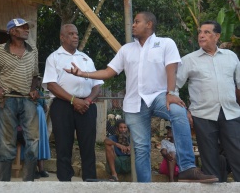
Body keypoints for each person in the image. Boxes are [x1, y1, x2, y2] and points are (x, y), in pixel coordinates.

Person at [64, 12, 218, 183]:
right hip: (134, 103)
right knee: (142, 149)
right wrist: (82, 73)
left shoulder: (165, 43)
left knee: (179, 112)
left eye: (137, 22)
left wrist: (171, 93)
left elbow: (171, 69)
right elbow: (109, 71)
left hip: (159, 96)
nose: (133, 25)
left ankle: (188, 168)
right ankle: (145, 187)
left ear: (149, 24)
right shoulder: (126, 49)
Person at [176, 20, 240, 182]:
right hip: (202, 115)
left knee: (237, 152)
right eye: (200, 32)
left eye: (206, 32)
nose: (201, 35)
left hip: (231, 112)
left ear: (217, 36)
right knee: (209, 159)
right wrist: (184, 110)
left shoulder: (231, 57)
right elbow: (173, 87)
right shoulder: (189, 59)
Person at [42, 24, 104, 181]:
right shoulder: (54, 57)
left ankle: (90, 183)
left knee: (88, 147)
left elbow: (97, 85)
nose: (76, 36)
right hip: (63, 106)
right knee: (63, 146)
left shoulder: (86, 58)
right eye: (71, 34)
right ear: (62, 37)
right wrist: (73, 100)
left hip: (87, 105)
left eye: (76, 34)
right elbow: (51, 84)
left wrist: (88, 100)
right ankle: (65, 183)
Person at [0, 18, 39, 181]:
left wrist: (33, 89)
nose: (27, 30)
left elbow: (35, 75)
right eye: (22, 28)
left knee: (33, 139)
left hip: (27, 100)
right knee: (7, 141)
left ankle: (28, 181)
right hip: (7, 99)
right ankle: (4, 183)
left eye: (27, 27)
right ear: (12, 31)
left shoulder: (33, 50)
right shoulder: (0, 50)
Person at [35, 76, 51, 178]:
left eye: (39, 80)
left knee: (41, 141)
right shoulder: (26, 91)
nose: (39, 82)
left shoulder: (40, 93)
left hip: (40, 119)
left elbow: (45, 108)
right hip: (31, 117)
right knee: (32, 141)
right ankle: (32, 168)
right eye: (37, 80)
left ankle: (41, 169)